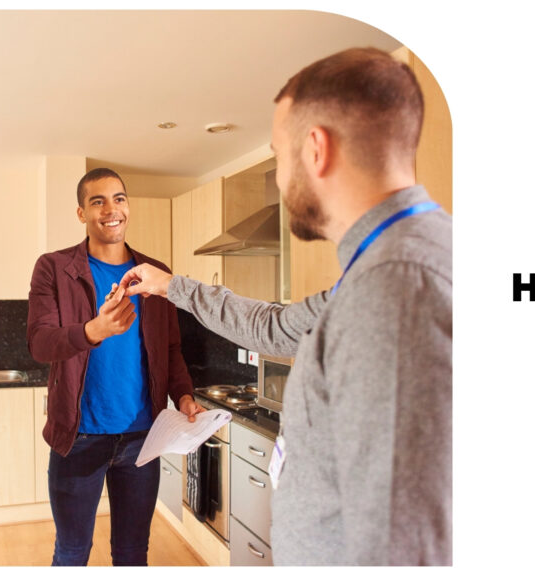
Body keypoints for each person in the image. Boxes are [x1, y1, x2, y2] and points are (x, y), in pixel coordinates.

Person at [120, 47, 452, 565]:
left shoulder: (394, 289)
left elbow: (404, 540)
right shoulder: (384, 269)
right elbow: (276, 327)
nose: (279, 178)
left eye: (279, 154)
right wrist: (174, 287)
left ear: (315, 149)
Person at [26, 167, 201, 566]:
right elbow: (40, 343)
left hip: (142, 438)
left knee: (132, 552)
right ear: (81, 213)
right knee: (71, 552)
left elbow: (171, 349)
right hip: (79, 438)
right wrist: (93, 330)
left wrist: (185, 396)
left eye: (119, 198)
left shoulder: (154, 274)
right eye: (98, 201)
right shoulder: (54, 268)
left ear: (128, 206)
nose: (111, 209)